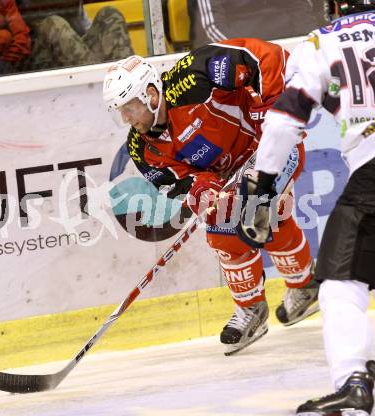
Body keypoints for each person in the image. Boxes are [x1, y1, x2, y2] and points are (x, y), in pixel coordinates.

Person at [102, 40, 319, 356]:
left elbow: (264, 57)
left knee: (259, 212)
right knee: (226, 228)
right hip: (232, 175)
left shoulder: (195, 76)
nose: (126, 119)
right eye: (120, 111)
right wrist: (201, 189)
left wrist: (271, 109)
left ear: (149, 95)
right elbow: (177, 183)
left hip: (271, 149)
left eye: (129, 108)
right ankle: (263, 303)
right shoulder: (141, 146)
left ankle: (300, 287)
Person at [238, 0, 375, 414]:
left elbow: (283, 122)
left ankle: (355, 381)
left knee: (339, 281)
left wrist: (262, 188)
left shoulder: (320, 43)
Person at [25, 5, 134, 70]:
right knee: (54, 24)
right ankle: (100, 84)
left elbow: (85, 28)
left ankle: (130, 78)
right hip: (37, 63)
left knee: (109, 14)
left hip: (75, 60)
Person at [187, 0, 320, 50]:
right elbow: (213, 26)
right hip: (243, 51)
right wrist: (246, 51)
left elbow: (300, 7)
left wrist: (310, 42)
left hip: (290, 43)